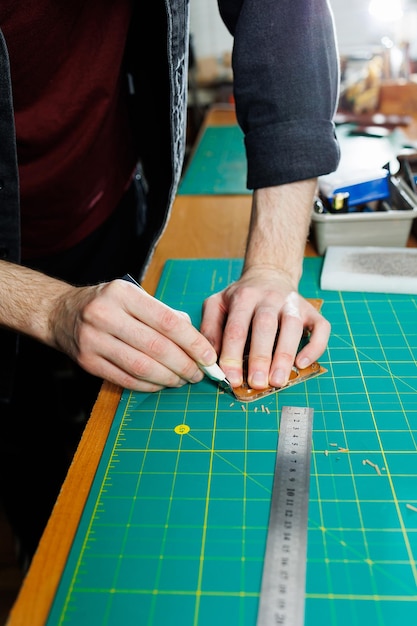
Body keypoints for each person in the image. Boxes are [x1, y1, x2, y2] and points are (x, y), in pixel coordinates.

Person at [0, 1, 340, 569]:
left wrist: (274, 269)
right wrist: (49, 308)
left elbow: (284, 14)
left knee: (120, 432)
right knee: (23, 460)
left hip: (102, 206)